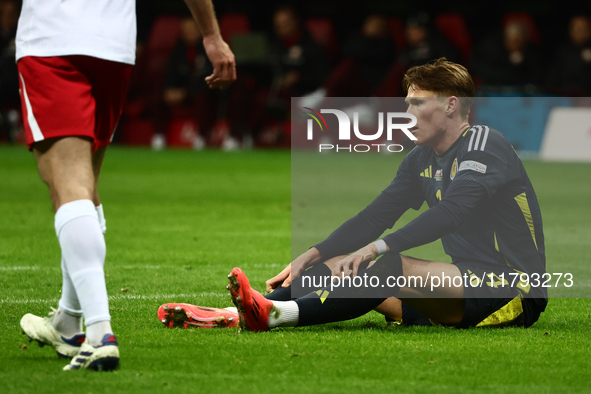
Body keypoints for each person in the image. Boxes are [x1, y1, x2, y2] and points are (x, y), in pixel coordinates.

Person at [224, 58, 547, 332]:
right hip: (462, 287)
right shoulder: (422, 156)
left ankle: (278, 317)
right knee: (342, 265)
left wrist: (375, 249)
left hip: (512, 290)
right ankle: (240, 314)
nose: (407, 112)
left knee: (389, 265)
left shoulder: (485, 145)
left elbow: (451, 212)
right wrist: (311, 255)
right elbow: (375, 216)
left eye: (417, 103)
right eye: (406, 103)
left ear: (451, 105)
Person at [17, 0, 235, 371]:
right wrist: (211, 34)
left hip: (52, 40)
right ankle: (69, 323)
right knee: (83, 185)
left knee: (68, 183)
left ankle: (100, 334)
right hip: (112, 48)